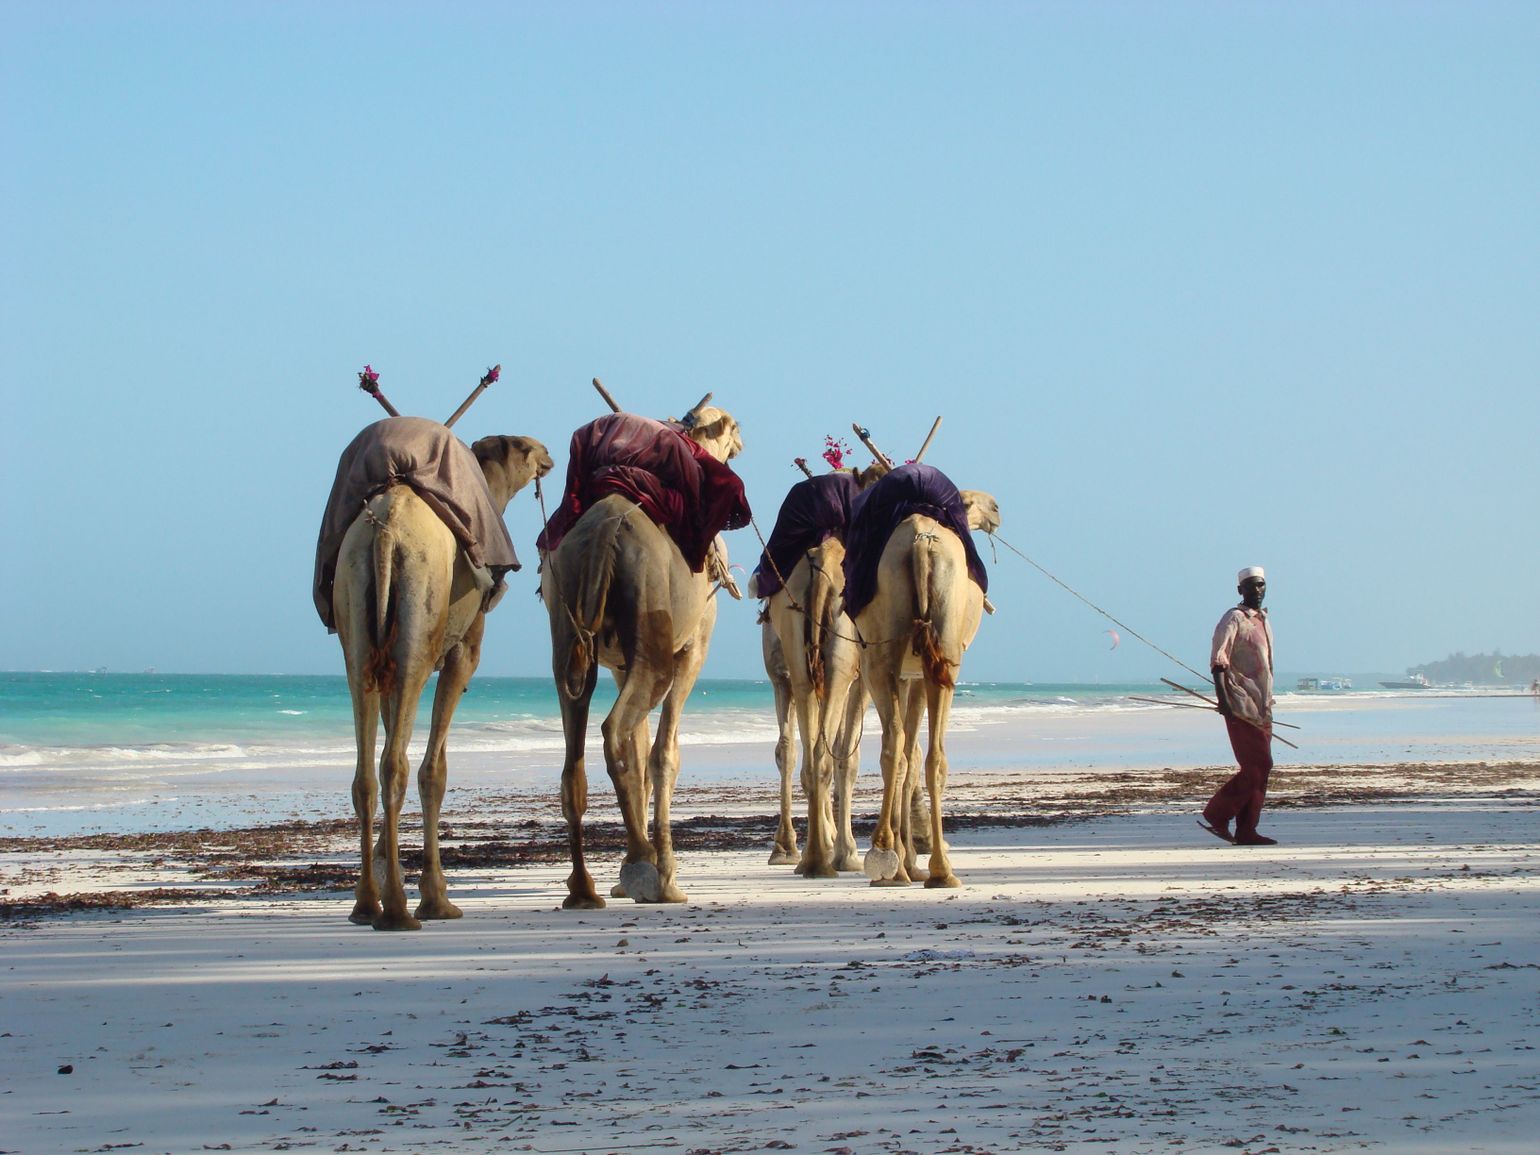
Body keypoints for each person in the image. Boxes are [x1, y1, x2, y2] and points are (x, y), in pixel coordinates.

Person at [1199, 566, 1277, 846]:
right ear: (1240, 590)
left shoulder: (1263, 620)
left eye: (1261, 585)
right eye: (1252, 586)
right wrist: (1224, 702)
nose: (1257, 591)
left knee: (1262, 769)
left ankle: (1247, 830)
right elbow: (1218, 662)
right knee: (1257, 766)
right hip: (1239, 703)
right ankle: (1217, 813)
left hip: (1262, 705)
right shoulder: (1233, 618)